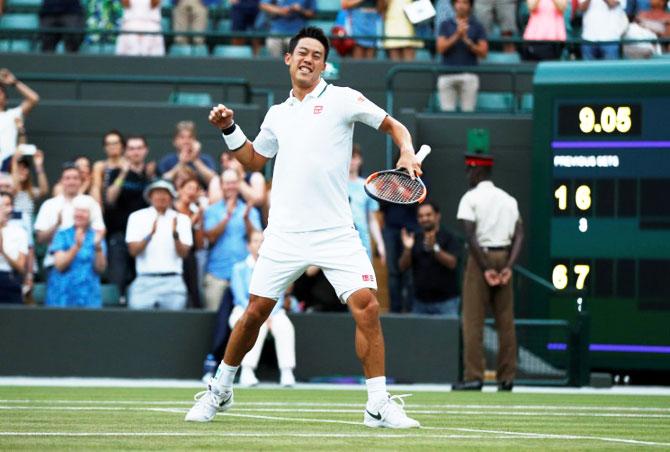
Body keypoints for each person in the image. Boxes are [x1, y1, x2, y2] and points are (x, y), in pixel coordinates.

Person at [185, 26, 422, 429]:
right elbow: (255, 160)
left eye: (316, 54)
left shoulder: (343, 99)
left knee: (367, 306)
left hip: (335, 232)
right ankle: (220, 390)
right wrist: (229, 128)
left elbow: (394, 126)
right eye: (302, 53)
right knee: (254, 313)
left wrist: (407, 150)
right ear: (288, 59)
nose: (309, 59)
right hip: (284, 233)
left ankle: (378, 404)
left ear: (324, 64)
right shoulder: (278, 114)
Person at [452, 151, 523, 391]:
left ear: (477, 171)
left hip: (480, 257)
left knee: (473, 321)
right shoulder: (509, 199)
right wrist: (507, 268)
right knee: (506, 322)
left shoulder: (470, 198)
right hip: (504, 256)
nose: (467, 175)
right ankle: (507, 377)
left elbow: (470, 235)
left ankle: (474, 377)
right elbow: (520, 235)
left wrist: (485, 269)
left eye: (469, 170)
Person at [229, 230, 297, 387]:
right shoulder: (238, 268)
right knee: (253, 323)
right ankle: (247, 371)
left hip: (272, 311)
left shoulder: (274, 268)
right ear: (248, 246)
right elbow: (240, 297)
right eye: (255, 240)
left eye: (262, 240)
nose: (259, 244)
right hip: (242, 310)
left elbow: (278, 295)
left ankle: (287, 371)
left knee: (285, 326)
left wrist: (268, 314)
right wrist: (259, 315)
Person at [125, 180, 193, 310]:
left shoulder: (182, 219)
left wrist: (175, 235)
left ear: (171, 198)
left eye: (165, 194)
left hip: (173, 281)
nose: (161, 197)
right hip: (144, 280)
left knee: (173, 324)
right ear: (150, 196)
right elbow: (133, 251)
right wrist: (150, 235)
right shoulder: (136, 217)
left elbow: (184, 253)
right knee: (138, 323)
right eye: (157, 193)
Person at [103, 135, 155, 301]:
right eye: (131, 148)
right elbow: (110, 198)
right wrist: (124, 173)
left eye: (139, 148)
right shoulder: (117, 173)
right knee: (117, 283)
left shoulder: (150, 175)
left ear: (145, 150)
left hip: (145, 239)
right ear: (126, 151)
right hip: (119, 236)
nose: (135, 152)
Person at [203, 168, 262, 311]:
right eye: (227, 183)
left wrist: (247, 220)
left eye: (234, 183)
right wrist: (227, 217)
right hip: (218, 274)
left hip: (245, 275)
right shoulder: (212, 210)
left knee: (244, 319)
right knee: (215, 320)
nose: (231, 186)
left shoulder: (250, 210)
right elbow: (210, 237)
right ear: (222, 185)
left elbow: (257, 239)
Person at [34, 163, 106, 273]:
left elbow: (99, 231)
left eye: (75, 178)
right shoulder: (49, 205)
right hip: (55, 263)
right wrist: (57, 225)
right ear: (61, 181)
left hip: (86, 264)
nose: (71, 182)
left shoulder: (91, 203)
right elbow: (40, 239)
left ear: (81, 181)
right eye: (67, 178)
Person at [399, 201, 461, 316]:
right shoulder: (415, 238)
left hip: (446, 303)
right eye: (421, 216)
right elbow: (402, 266)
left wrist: (435, 248)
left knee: (447, 334)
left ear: (437, 216)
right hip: (419, 304)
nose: (424, 219)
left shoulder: (450, 237)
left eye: (428, 215)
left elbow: (452, 263)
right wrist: (407, 249)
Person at [46, 196, 107, 308]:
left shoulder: (96, 236)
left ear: (91, 215)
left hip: (88, 295)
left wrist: (98, 248)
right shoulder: (62, 234)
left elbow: (100, 269)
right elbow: (59, 265)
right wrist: (76, 247)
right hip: (63, 294)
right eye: (77, 210)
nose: (79, 214)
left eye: (83, 211)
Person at [436, 0, 488, 112]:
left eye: (465, 3)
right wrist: (457, 35)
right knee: (446, 116)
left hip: (469, 75)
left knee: (468, 115)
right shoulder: (445, 25)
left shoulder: (477, 26)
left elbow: (483, 52)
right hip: (446, 76)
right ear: (454, 4)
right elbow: (440, 48)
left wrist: (467, 41)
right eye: (458, 2)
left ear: (470, 6)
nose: (461, 6)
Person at [348, 144, 385, 262]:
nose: (351, 161)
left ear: (360, 160)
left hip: (362, 241)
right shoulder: (335, 185)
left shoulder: (368, 186)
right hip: (341, 240)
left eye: (354, 157)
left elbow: (372, 219)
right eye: (348, 157)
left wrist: (380, 243)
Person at [174, 175, 206, 309]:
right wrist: (191, 220)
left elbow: (199, 245)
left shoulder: (196, 212)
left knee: (193, 292)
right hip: (173, 256)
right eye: (189, 188)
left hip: (190, 259)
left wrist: (198, 223)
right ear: (180, 190)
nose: (192, 192)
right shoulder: (170, 208)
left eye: (196, 189)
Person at [0, 69, 40, 171]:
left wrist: (14, 82)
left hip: (9, 164)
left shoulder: (13, 114)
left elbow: (34, 98)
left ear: (5, 97)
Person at [158, 121, 217, 188]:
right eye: (182, 137)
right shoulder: (167, 161)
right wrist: (181, 163)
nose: (186, 141)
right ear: (175, 141)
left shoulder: (205, 159)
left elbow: (214, 180)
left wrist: (195, 160)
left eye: (190, 137)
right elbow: (163, 182)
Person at [0, 191, 28, 304]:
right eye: (3, 206)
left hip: (9, 280)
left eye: (9, 205)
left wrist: (2, 251)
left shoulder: (19, 232)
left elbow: (21, 267)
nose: (7, 210)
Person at [91, 130, 126, 204]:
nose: (112, 146)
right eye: (108, 144)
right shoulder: (100, 166)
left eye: (115, 143)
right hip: (107, 207)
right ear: (104, 147)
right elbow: (96, 188)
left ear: (122, 146)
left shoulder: (128, 164)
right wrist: (98, 209)